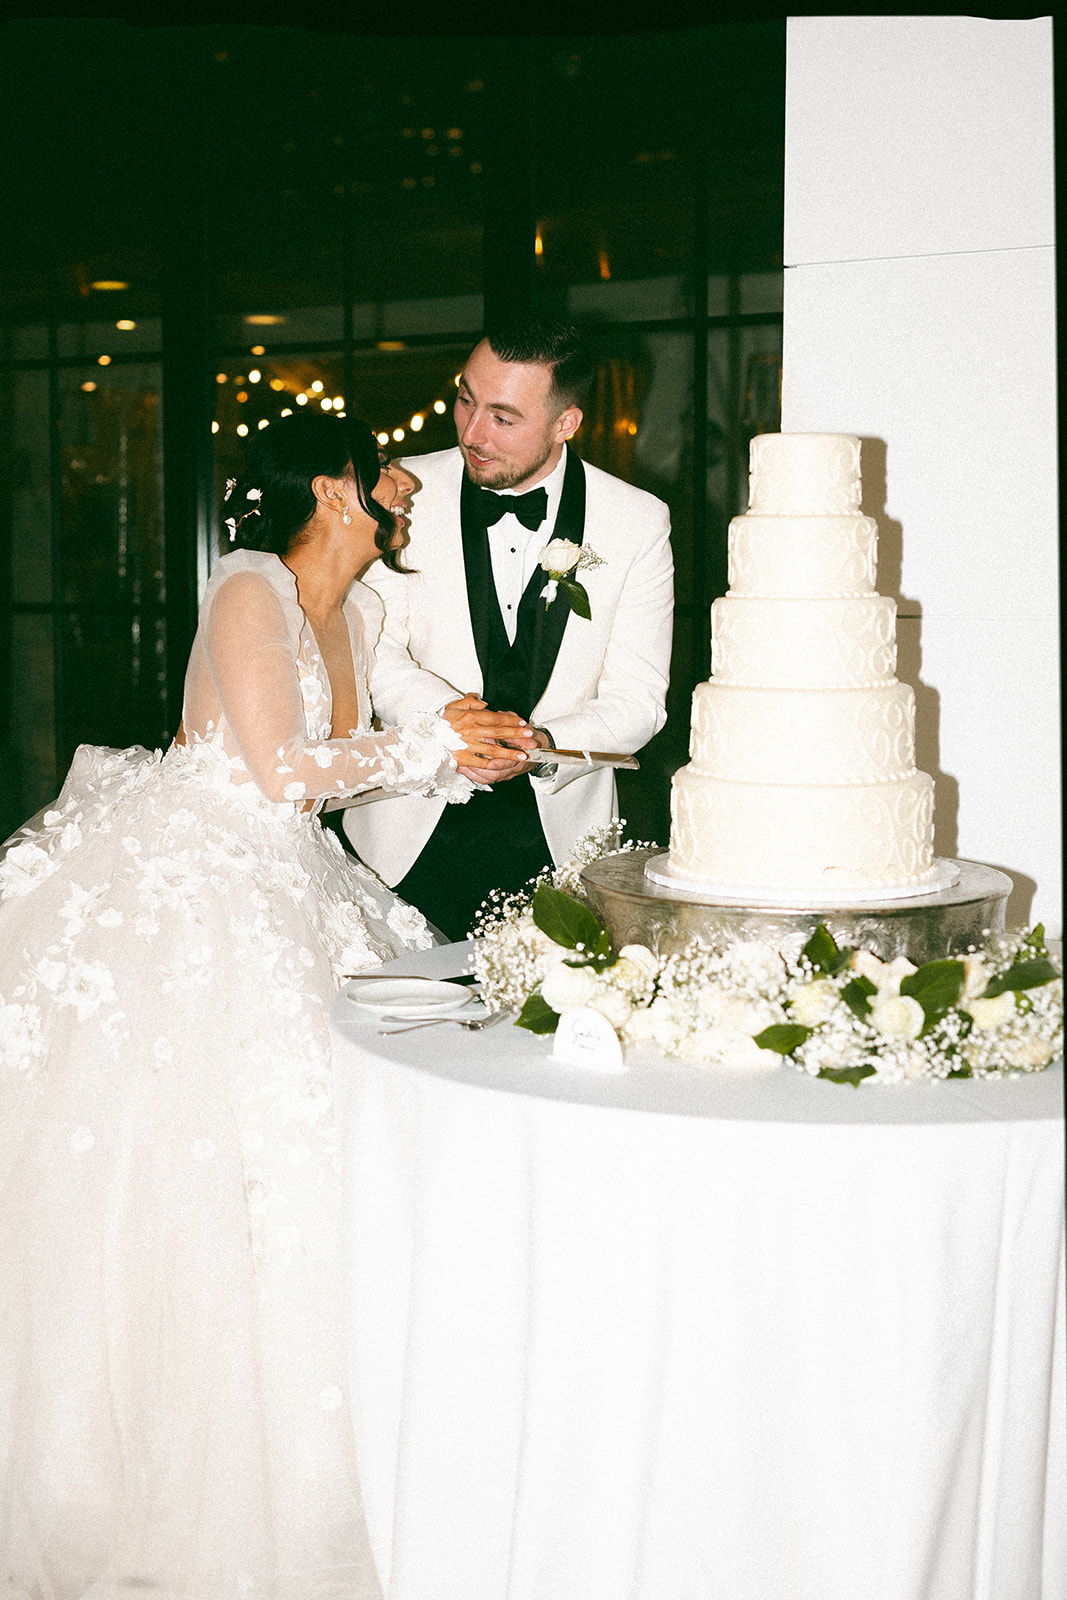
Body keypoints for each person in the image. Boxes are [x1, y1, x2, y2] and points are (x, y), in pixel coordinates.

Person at [0, 413, 527, 1598]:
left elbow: (407, 705)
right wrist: (424, 755)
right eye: (378, 472)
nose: (402, 484)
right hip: (193, 876)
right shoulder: (247, 588)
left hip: (290, 871)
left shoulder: (365, 608)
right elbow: (282, 769)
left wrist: (475, 739)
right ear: (332, 490)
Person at [341, 320, 674, 940]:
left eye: (503, 417)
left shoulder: (637, 521)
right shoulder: (400, 488)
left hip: (558, 844)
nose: (471, 432)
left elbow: (638, 700)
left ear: (565, 424)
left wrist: (535, 744)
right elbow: (372, 650)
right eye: (465, 398)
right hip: (405, 833)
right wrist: (456, 728)